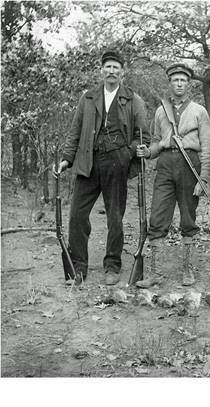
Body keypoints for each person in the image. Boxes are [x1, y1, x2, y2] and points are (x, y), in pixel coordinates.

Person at [54, 50, 150, 285]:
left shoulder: (133, 99)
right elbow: (75, 131)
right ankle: (79, 266)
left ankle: (112, 266)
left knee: (115, 217)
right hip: (88, 162)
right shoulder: (88, 98)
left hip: (117, 163)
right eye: (108, 67)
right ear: (101, 70)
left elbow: (143, 136)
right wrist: (66, 159)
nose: (111, 71)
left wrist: (128, 154)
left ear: (122, 72)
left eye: (116, 68)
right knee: (77, 215)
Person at [136, 63, 210, 286]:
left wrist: (203, 178)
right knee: (158, 216)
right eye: (175, 80)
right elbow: (157, 142)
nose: (179, 84)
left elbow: (206, 146)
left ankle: (187, 270)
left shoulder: (200, 111)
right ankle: (154, 273)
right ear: (170, 84)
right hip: (166, 165)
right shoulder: (161, 111)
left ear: (189, 84)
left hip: (191, 164)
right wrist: (147, 152)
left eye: (183, 80)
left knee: (188, 217)